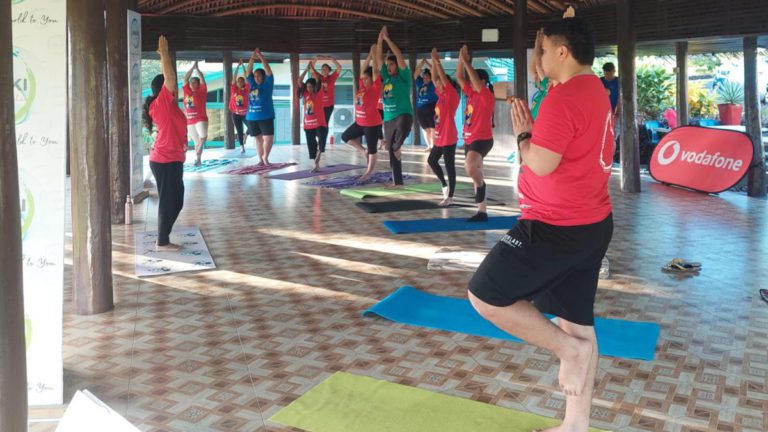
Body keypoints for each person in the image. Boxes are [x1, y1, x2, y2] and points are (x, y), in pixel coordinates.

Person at [468, 16, 614, 432]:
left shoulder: (562, 99)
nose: (539, 59)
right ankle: (575, 425)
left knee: (484, 294)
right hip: (591, 223)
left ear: (563, 53)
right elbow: (551, 71)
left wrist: (523, 136)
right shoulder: (592, 88)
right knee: (578, 322)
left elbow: (541, 164)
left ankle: (568, 352)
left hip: (553, 228)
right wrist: (549, 38)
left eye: (544, 51)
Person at [142, 35, 187, 251]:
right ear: (163, 91)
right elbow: (169, 79)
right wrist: (165, 55)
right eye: (171, 85)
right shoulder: (162, 104)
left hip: (173, 159)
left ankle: (164, 236)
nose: (175, 86)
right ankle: (162, 241)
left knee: (176, 201)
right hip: (164, 160)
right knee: (170, 201)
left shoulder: (171, 107)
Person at [456, 44, 495, 222]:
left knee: (470, 167)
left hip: (482, 139)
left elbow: (472, 78)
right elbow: (459, 77)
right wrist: (460, 58)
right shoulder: (471, 94)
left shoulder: (486, 95)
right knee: (475, 170)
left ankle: (482, 185)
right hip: (469, 139)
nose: (470, 83)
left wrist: (466, 61)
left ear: (482, 82)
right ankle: (482, 212)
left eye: (474, 80)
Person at [376, 26, 412, 186]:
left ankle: (398, 146)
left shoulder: (404, 77)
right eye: (388, 65)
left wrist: (388, 40)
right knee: (391, 153)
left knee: (402, 128)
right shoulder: (386, 77)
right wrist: (380, 39)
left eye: (391, 64)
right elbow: (378, 58)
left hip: (403, 114)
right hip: (388, 119)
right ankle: (398, 182)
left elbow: (399, 56)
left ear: (397, 66)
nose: (388, 67)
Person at [342, 44, 383, 182]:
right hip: (360, 123)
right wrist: (369, 56)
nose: (364, 80)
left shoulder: (375, 87)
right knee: (345, 136)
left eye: (367, 78)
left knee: (373, 150)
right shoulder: (362, 88)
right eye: (363, 79)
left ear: (372, 79)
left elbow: (375, 70)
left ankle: (368, 172)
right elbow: (362, 71)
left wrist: (375, 56)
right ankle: (362, 150)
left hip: (372, 124)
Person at [428, 48, 460, 207]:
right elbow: (434, 77)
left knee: (449, 166)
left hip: (449, 137)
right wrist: (433, 61)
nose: (437, 83)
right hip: (440, 137)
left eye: (441, 82)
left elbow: (440, 78)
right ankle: (444, 184)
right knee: (431, 160)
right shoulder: (441, 95)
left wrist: (438, 61)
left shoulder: (452, 95)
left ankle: (451, 197)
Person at [246, 48, 275, 166]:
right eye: (255, 76)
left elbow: (268, 71)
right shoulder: (252, 84)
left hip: (266, 116)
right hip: (252, 117)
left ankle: (265, 157)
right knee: (258, 138)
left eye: (259, 76)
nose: (257, 78)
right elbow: (248, 72)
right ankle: (260, 160)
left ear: (263, 77)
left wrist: (261, 56)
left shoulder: (267, 84)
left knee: (268, 138)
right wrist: (252, 58)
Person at [298, 61, 328, 172]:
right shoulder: (305, 94)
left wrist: (312, 69)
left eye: (311, 87)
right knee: (311, 146)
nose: (309, 89)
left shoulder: (318, 93)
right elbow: (299, 81)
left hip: (319, 123)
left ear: (315, 87)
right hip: (308, 125)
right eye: (307, 87)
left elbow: (318, 79)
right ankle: (316, 165)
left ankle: (319, 154)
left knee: (321, 141)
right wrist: (306, 70)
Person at [182, 61, 208, 166]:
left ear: (198, 84)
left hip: (200, 118)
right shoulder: (187, 91)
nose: (192, 84)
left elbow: (202, 80)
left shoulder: (202, 91)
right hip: (189, 120)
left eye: (194, 82)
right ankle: (198, 159)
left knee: (202, 137)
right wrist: (192, 68)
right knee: (196, 142)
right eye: (191, 82)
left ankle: (200, 149)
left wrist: (198, 71)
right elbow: (185, 78)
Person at [414, 59, 438, 151]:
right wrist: (421, 64)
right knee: (425, 129)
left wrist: (427, 63)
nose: (425, 79)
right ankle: (429, 146)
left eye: (427, 77)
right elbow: (416, 75)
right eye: (424, 77)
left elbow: (434, 71)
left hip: (431, 107)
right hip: (420, 109)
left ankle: (434, 146)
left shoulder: (433, 83)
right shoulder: (420, 83)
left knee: (432, 128)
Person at [311, 55, 342, 126]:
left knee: (325, 123)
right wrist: (316, 58)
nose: (323, 70)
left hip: (328, 106)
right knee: (317, 122)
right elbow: (311, 68)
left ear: (329, 71)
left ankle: (322, 136)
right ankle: (317, 135)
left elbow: (339, 68)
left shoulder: (332, 78)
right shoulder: (318, 77)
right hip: (319, 105)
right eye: (322, 69)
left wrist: (332, 59)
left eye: (325, 69)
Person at [230, 59, 249, 153]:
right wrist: (237, 67)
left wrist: (243, 67)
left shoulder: (246, 90)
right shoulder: (234, 90)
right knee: (239, 130)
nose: (240, 82)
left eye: (242, 81)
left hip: (245, 114)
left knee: (252, 127)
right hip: (236, 114)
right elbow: (234, 78)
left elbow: (246, 77)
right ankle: (242, 146)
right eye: (239, 82)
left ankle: (247, 134)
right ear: (237, 83)